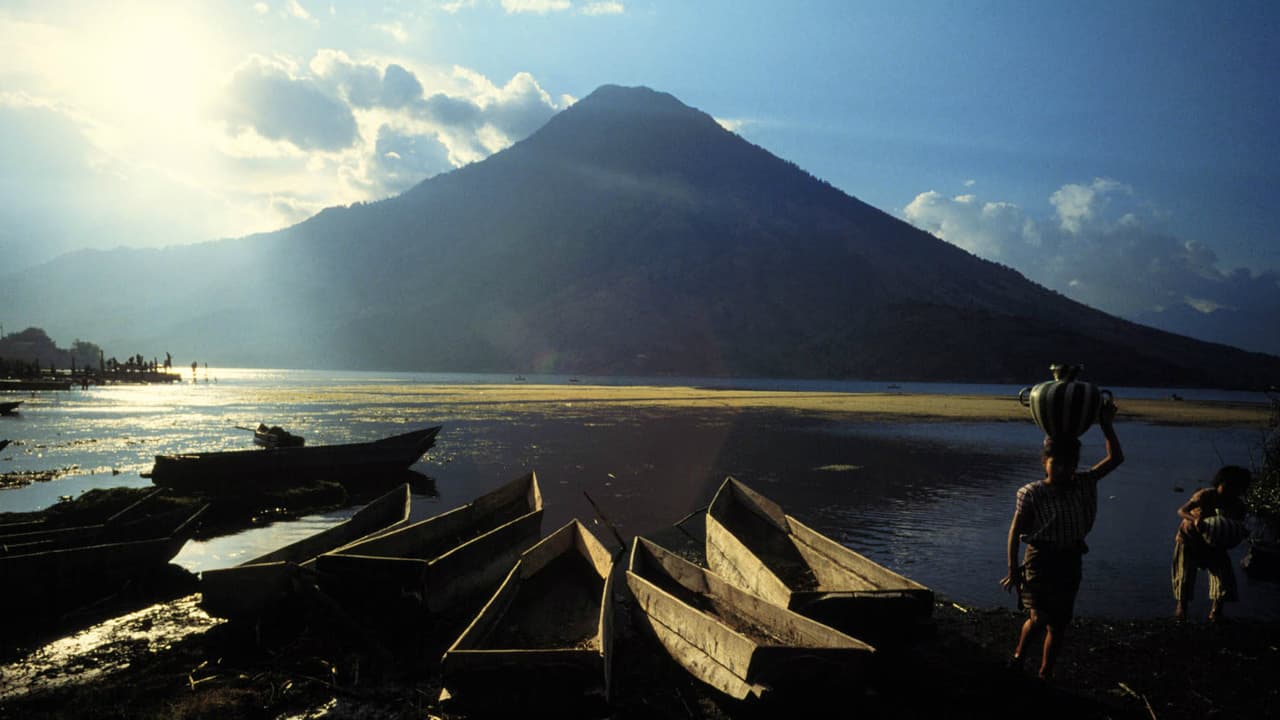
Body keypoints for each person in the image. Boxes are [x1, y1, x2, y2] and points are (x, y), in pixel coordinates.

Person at [1000, 401, 1123, 680]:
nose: (1064, 470)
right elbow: (1014, 530)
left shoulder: (1084, 482)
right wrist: (1012, 568)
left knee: (1058, 624)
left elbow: (1116, 459)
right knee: (1038, 618)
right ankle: (1019, 657)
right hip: (1040, 560)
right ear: (1045, 462)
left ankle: (1045, 673)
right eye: (1057, 463)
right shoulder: (1031, 492)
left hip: (1070, 559)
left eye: (1070, 464)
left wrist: (1106, 425)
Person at [1172, 465, 1251, 623]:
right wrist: (1194, 520)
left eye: (1237, 488)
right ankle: (1182, 611)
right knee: (1184, 576)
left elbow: (1235, 527)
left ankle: (1216, 612)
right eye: (1228, 486)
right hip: (1190, 539)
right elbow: (1181, 510)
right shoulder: (1205, 495)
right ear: (1221, 483)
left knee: (1223, 576)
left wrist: (1240, 532)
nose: (1231, 491)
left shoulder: (1238, 506)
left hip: (1215, 543)